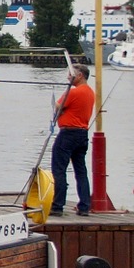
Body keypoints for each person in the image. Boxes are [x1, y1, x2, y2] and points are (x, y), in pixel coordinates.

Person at [51, 63, 95, 216]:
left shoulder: (74, 92)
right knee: (81, 171)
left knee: (59, 169)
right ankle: (84, 206)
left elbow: (57, 106)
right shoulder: (90, 93)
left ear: (80, 75)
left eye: (71, 74)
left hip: (68, 133)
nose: (68, 77)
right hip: (82, 133)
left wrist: (59, 109)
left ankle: (57, 206)